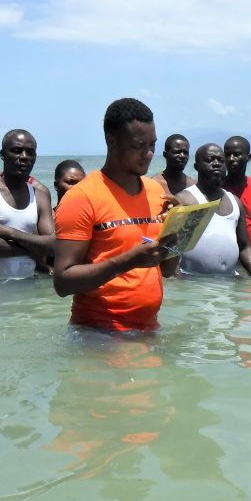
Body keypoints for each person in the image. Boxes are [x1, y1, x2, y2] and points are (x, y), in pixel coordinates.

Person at [54, 98, 179, 332]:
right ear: (111, 142)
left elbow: (168, 270)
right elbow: (62, 282)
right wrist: (128, 261)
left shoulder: (155, 192)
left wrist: (178, 231)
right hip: (99, 333)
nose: (149, 153)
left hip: (149, 329)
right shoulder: (82, 197)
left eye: (152, 144)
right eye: (138, 146)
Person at [0, 129, 55, 280]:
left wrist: (11, 233)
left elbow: (54, 245)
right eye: (16, 151)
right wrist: (29, 252)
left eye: (30, 152)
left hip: (26, 287)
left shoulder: (40, 195)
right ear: (2, 154)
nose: (24, 157)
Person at [174, 143, 251, 278]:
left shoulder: (236, 202)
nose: (216, 164)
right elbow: (171, 249)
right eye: (209, 160)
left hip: (230, 282)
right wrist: (180, 286)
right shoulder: (185, 200)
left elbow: (245, 247)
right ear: (196, 166)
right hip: (194, 283)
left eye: (221, 160)